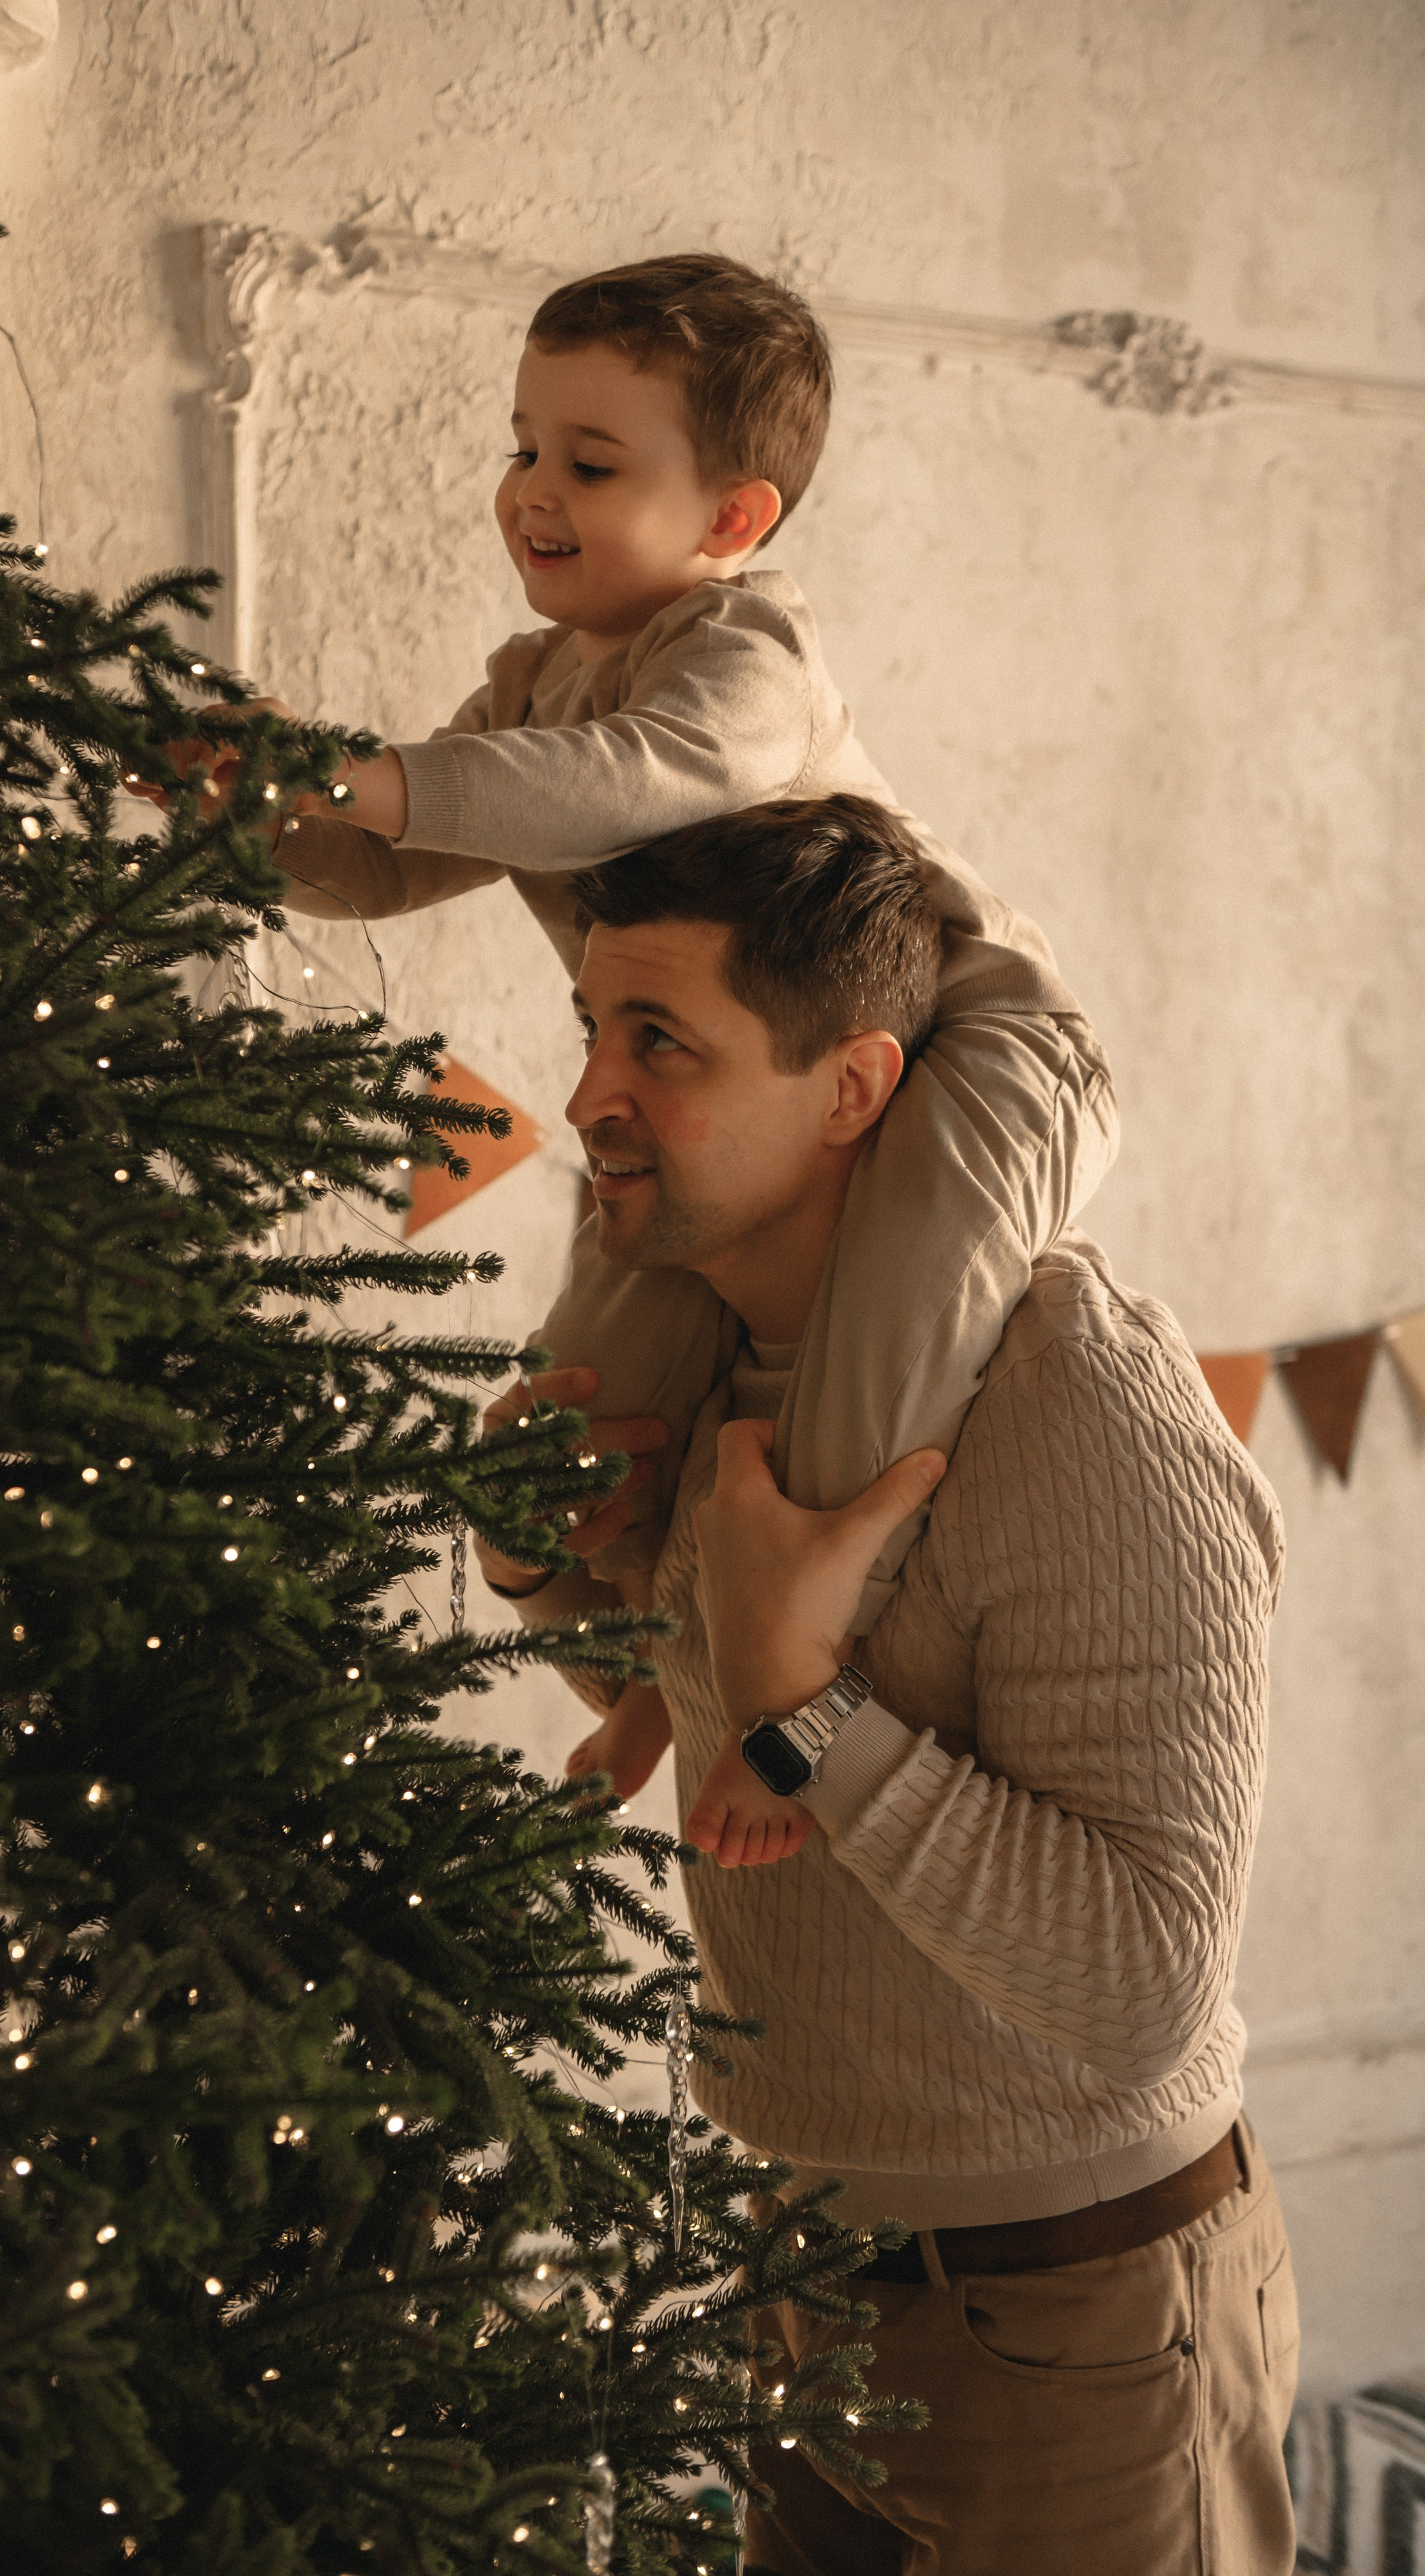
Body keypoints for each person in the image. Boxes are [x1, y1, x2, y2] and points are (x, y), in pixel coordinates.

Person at [475, 795, 1297, 2576]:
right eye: (595, 1035)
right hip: (803, 2285)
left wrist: (809, 1711)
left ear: (850, 1090)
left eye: (662, 1043)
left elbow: (1147, 1980)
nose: (596, 1095)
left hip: (1073, 2327)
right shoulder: (712, 1358)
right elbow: (676, 1701)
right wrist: (539, 1551)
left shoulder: (1079, 1407)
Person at [155, 252, 1117, 1619]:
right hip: (704, 1093)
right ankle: (631, 1668)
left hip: (961, 1046)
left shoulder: (745, 655)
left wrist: (343, 764)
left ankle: (809, 1687)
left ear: (731, 514)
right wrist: (239, 801)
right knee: (587, 1406)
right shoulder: (539, 681)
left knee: (864, 1417)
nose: (531, 490)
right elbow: (383, 861)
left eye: (590, 466)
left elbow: (626, 781)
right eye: (523, 446)